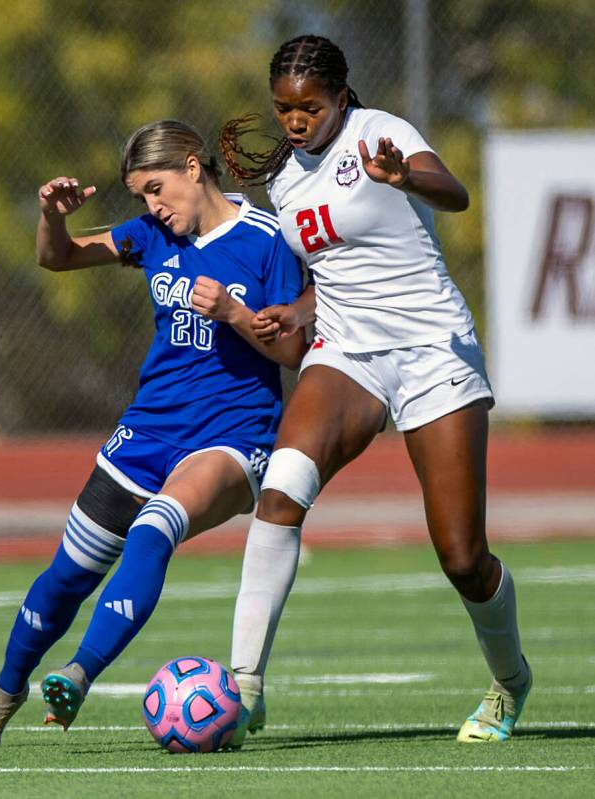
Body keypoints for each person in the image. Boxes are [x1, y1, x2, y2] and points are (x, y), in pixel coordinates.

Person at [219, 34, 531, 747]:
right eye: (283, 108)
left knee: (461, 555)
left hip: (431, 352)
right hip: (348, 352)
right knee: (282, 486)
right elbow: (330, 278)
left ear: (339, 96)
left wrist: (405, 179)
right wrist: (295, 312)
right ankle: (242, 687)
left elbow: (453, 193)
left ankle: (510, 681)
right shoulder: (286, 179)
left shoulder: (380, 132)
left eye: (309, 107)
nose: (295, 121)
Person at [0, 120, 305, 747]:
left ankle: (79, 674)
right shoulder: (149, 236)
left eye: (157, 188)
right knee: (67, 576)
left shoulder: (266, 240)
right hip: (145, 433)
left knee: (156, 528)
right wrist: (51, 217)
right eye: (142, 195)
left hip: (231, 435)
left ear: (194, 167)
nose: (152, 206)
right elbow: (55, 257)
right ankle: (3, 695)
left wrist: (234, 313)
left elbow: (295, 351)